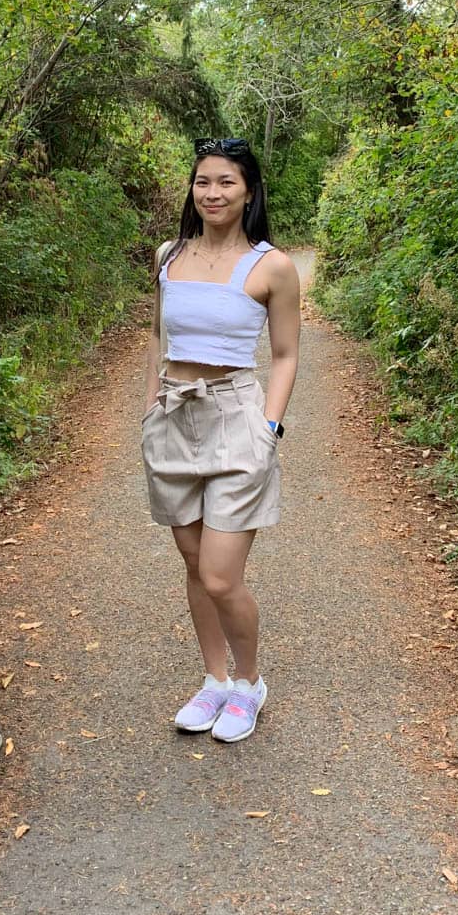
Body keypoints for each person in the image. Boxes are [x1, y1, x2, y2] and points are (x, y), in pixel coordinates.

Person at [140, 136, 301, 743]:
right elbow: (157, 336)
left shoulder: (272, 267)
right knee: (191, 560)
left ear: (249, 190)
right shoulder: (168, 255)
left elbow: (285, 356)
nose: (212, 193)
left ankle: (249, 684)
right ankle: (214, 680)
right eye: (203, 181)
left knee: (220, 575)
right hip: (173, 417)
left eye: (226, 182)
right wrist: (149, 406)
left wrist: (270, 428)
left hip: (237, 416)